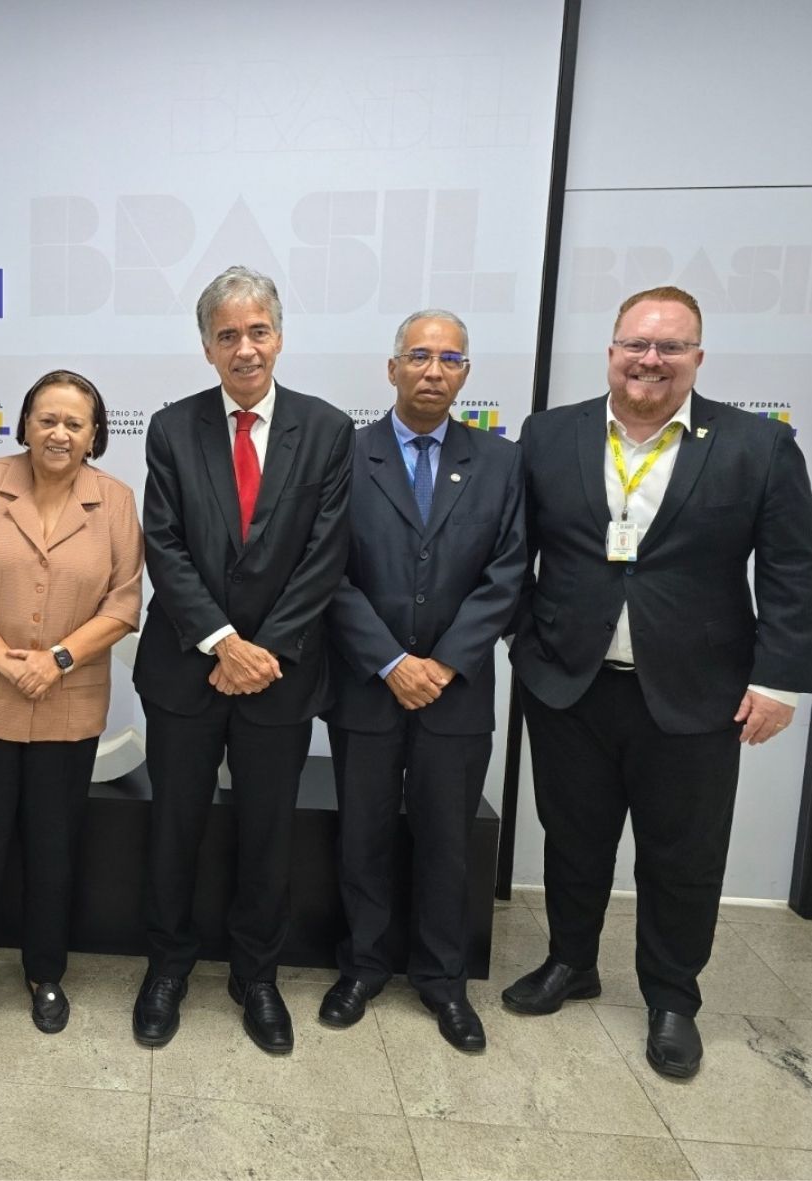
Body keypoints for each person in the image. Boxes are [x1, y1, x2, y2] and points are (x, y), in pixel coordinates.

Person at [504, 285, 812, 1078]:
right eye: (635, 344)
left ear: (697, 357)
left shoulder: (757, 445)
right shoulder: (549, 435)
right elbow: (510, 550)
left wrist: (779, 680)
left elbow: (792, 570)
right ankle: (571, 961)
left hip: (696, 692)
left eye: (670, 346)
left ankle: (672, 997)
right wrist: (523, 641)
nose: (650, 360)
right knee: (572, 836)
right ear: (611, 350)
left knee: (681, 854)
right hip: (569, 683)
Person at [132, 265, 353, 1054]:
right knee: (174, 828)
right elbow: (163, 546)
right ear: (206, 348)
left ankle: (255, 975)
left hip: (279, 675)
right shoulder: (171, 428)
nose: (245, 348)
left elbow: (324, 555)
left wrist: (263, 650)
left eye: (257, 331)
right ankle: (167, 967)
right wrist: (222, 642)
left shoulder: (326, 429)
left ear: (279, 337)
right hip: (186, 668)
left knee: (266, 833)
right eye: (227, 335)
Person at [0, 370, 144, 1056]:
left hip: (67, 706)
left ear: (95, 435)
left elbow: (123, 603)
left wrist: (58, 659)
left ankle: (46, 975)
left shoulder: (115, 500)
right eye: (47, 419)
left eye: (75, 423)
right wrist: (3, 658)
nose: (59, 433)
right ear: (24, 424)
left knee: (53, 850)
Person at [321, 310, 526, 1052]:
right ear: (392, 369)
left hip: (456, 690)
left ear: (465, 373)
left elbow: (508, 573)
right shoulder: (345, 455)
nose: (433, 370)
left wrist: (442, 663)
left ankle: (443, 981)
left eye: (449, 358)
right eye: (418, 355)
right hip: (366, 685)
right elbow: (326, 572)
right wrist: (390, 661)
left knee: (447, 841)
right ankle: (363, 966)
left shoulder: (500, 462)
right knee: (363, 835)